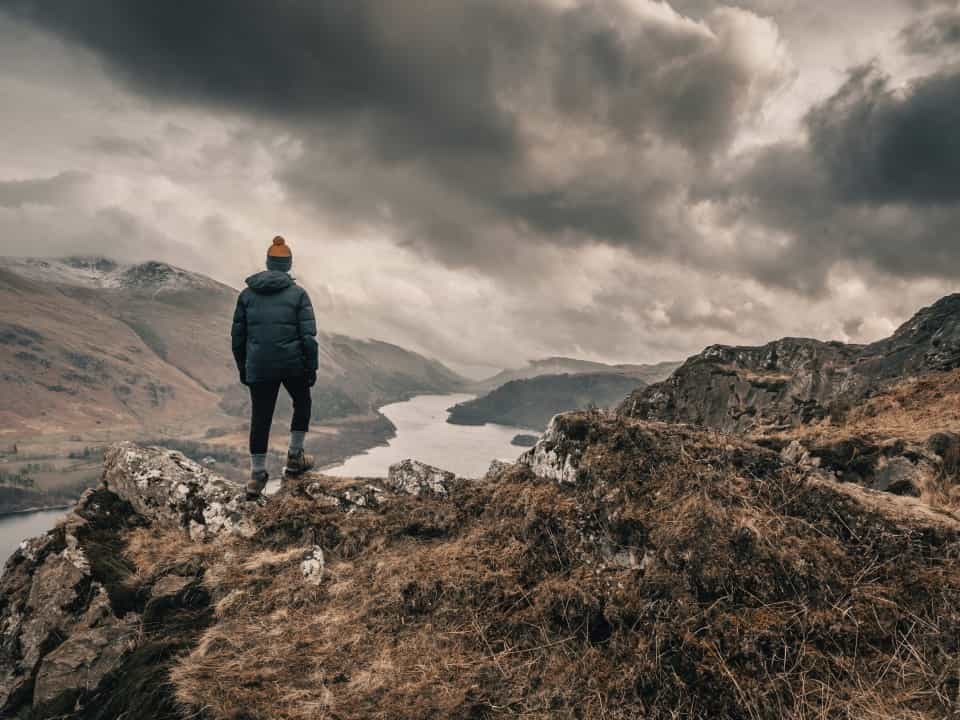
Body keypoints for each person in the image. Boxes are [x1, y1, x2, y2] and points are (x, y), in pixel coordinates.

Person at [231, 236, 318, 499]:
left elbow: (238, 338)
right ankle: (294, 456)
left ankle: (257, 476)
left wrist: (243, 368)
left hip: (258, 365)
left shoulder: (246, 295)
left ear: (268, 263)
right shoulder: (299, 294)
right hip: (292, 364)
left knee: (261, 417)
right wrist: (310, 367)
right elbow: (308, 337)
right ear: (288, 265)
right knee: (302, 401)